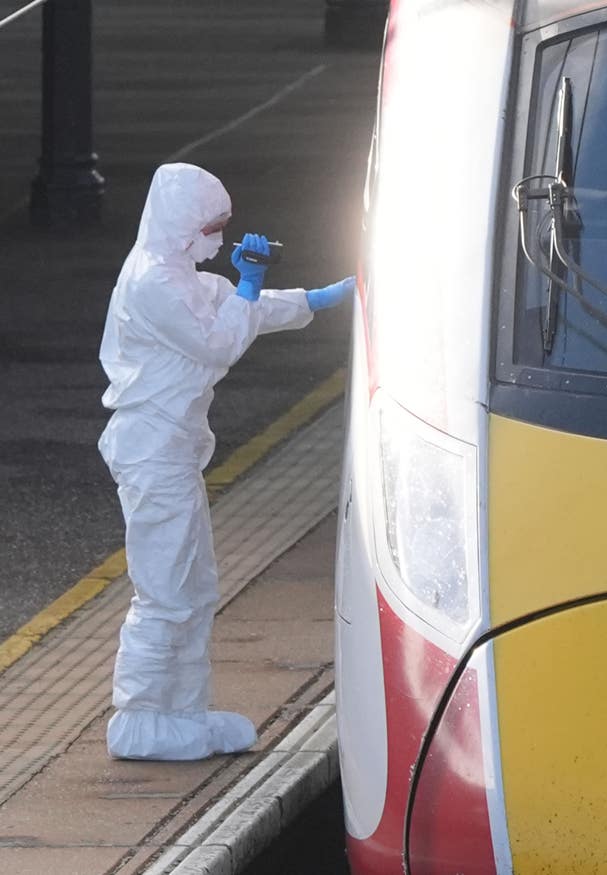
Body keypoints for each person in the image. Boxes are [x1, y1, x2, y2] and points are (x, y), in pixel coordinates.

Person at [98, 162, 354, 760]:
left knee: (195, 586)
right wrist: (246, 284)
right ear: (184, 224)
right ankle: (138, 717)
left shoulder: (179, 274)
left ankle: (182, 711)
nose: (220, 238)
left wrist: (321, 298)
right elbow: (219, 340)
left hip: (171, 451)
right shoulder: (152, 284)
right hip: (151, 452)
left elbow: (247, 309)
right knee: (164, 590)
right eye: (213, 226)